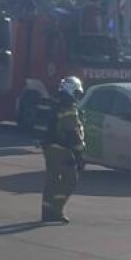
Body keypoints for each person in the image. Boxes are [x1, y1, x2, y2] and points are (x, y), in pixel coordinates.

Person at [39, 76, 85, 224]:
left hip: (49, 147)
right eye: (77, 93)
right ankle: (57, 210)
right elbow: (72, 134)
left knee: (52, 180)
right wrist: (79, 155)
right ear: (70, 91)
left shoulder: (55, 103)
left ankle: (46, 212)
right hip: (62, 149)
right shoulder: (68, 107)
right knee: (70, 180)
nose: (77, 97)